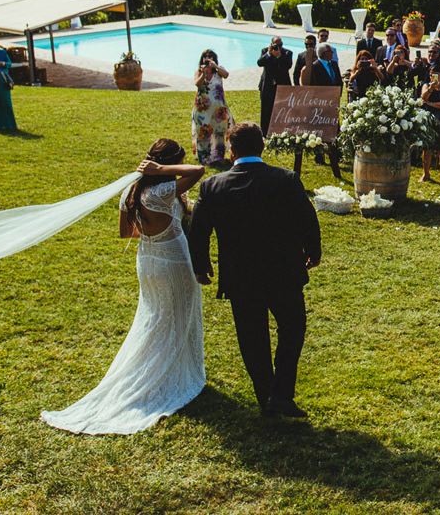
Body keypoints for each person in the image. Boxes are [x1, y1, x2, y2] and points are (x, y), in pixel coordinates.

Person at [42, 139, 205, 434]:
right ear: (166, 164)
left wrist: (152, 229)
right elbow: (198, 170)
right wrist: (161, 171)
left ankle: (162, 364)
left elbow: (125, 232)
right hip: (173, 261)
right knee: (178, 314)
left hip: (147, 261)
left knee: (156, 317)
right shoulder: (163, 191)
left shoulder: (131, 192)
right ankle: (172, 370)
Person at [188, 122, 321, 416]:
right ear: (262, 147)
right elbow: (307, 218)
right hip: (284, 272)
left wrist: (201, 265)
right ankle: (281, 394)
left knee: (252, 336)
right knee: (293, 329)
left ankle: (266, 395)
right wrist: (313, 251)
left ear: (232, 151)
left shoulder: (213, 186)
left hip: (241, 276)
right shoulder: (286, 179)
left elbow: (199, 231)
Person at [192, 49, 231, 166]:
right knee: (203, 131)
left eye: (210, 56)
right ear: (202, 59)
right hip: (202, 109)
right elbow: (197, 84)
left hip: (219, 109)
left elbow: (226, 75)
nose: (208, 58)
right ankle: (204, 157)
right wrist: (204, 73)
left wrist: (216, 67)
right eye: (205, 56)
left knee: (219, 131)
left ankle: (218, 156)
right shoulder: (199, 71)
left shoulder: (219, 70)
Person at [256, 36, 293, 133]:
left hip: (282, 85)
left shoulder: (288, 53)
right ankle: (265, 132)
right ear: (271, 44)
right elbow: (259, 63)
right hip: (267, 85)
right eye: (276, 45)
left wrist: (279, 56)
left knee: (283, 109)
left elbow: (287, 66)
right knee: (266, 109)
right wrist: (269, 54)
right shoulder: (265, 51)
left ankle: (283, 130)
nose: (278, 47)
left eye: (280, 45)